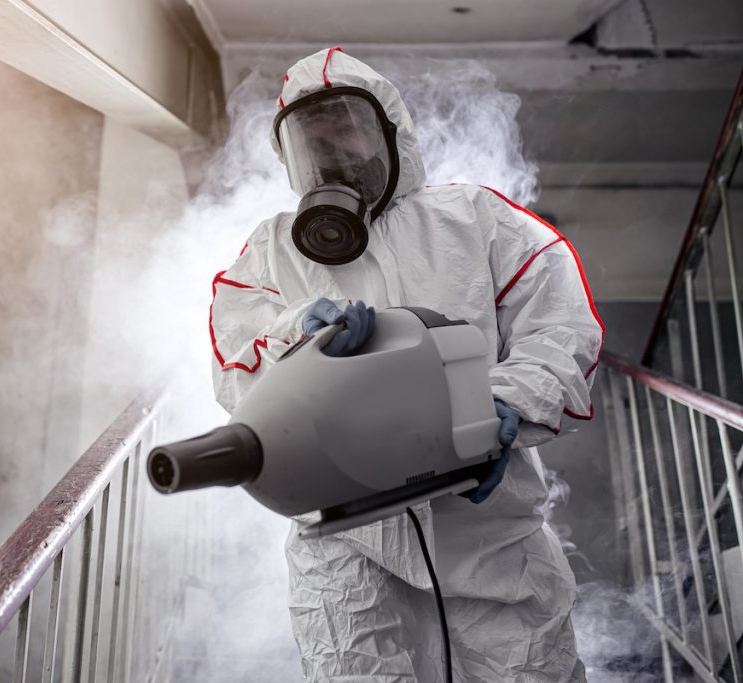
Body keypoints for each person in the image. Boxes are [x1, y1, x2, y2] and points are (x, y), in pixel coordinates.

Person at [209, 47, 604, 682]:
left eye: (347, 126)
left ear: (390, 132)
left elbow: (562, 326)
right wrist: (296, 341)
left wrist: (498, 406)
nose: (333, 149)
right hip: (344, 541)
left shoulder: (473, 218)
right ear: (291, 158)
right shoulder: (272, 253)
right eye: (313, 138)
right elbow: (236, 363)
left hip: (488, 532)